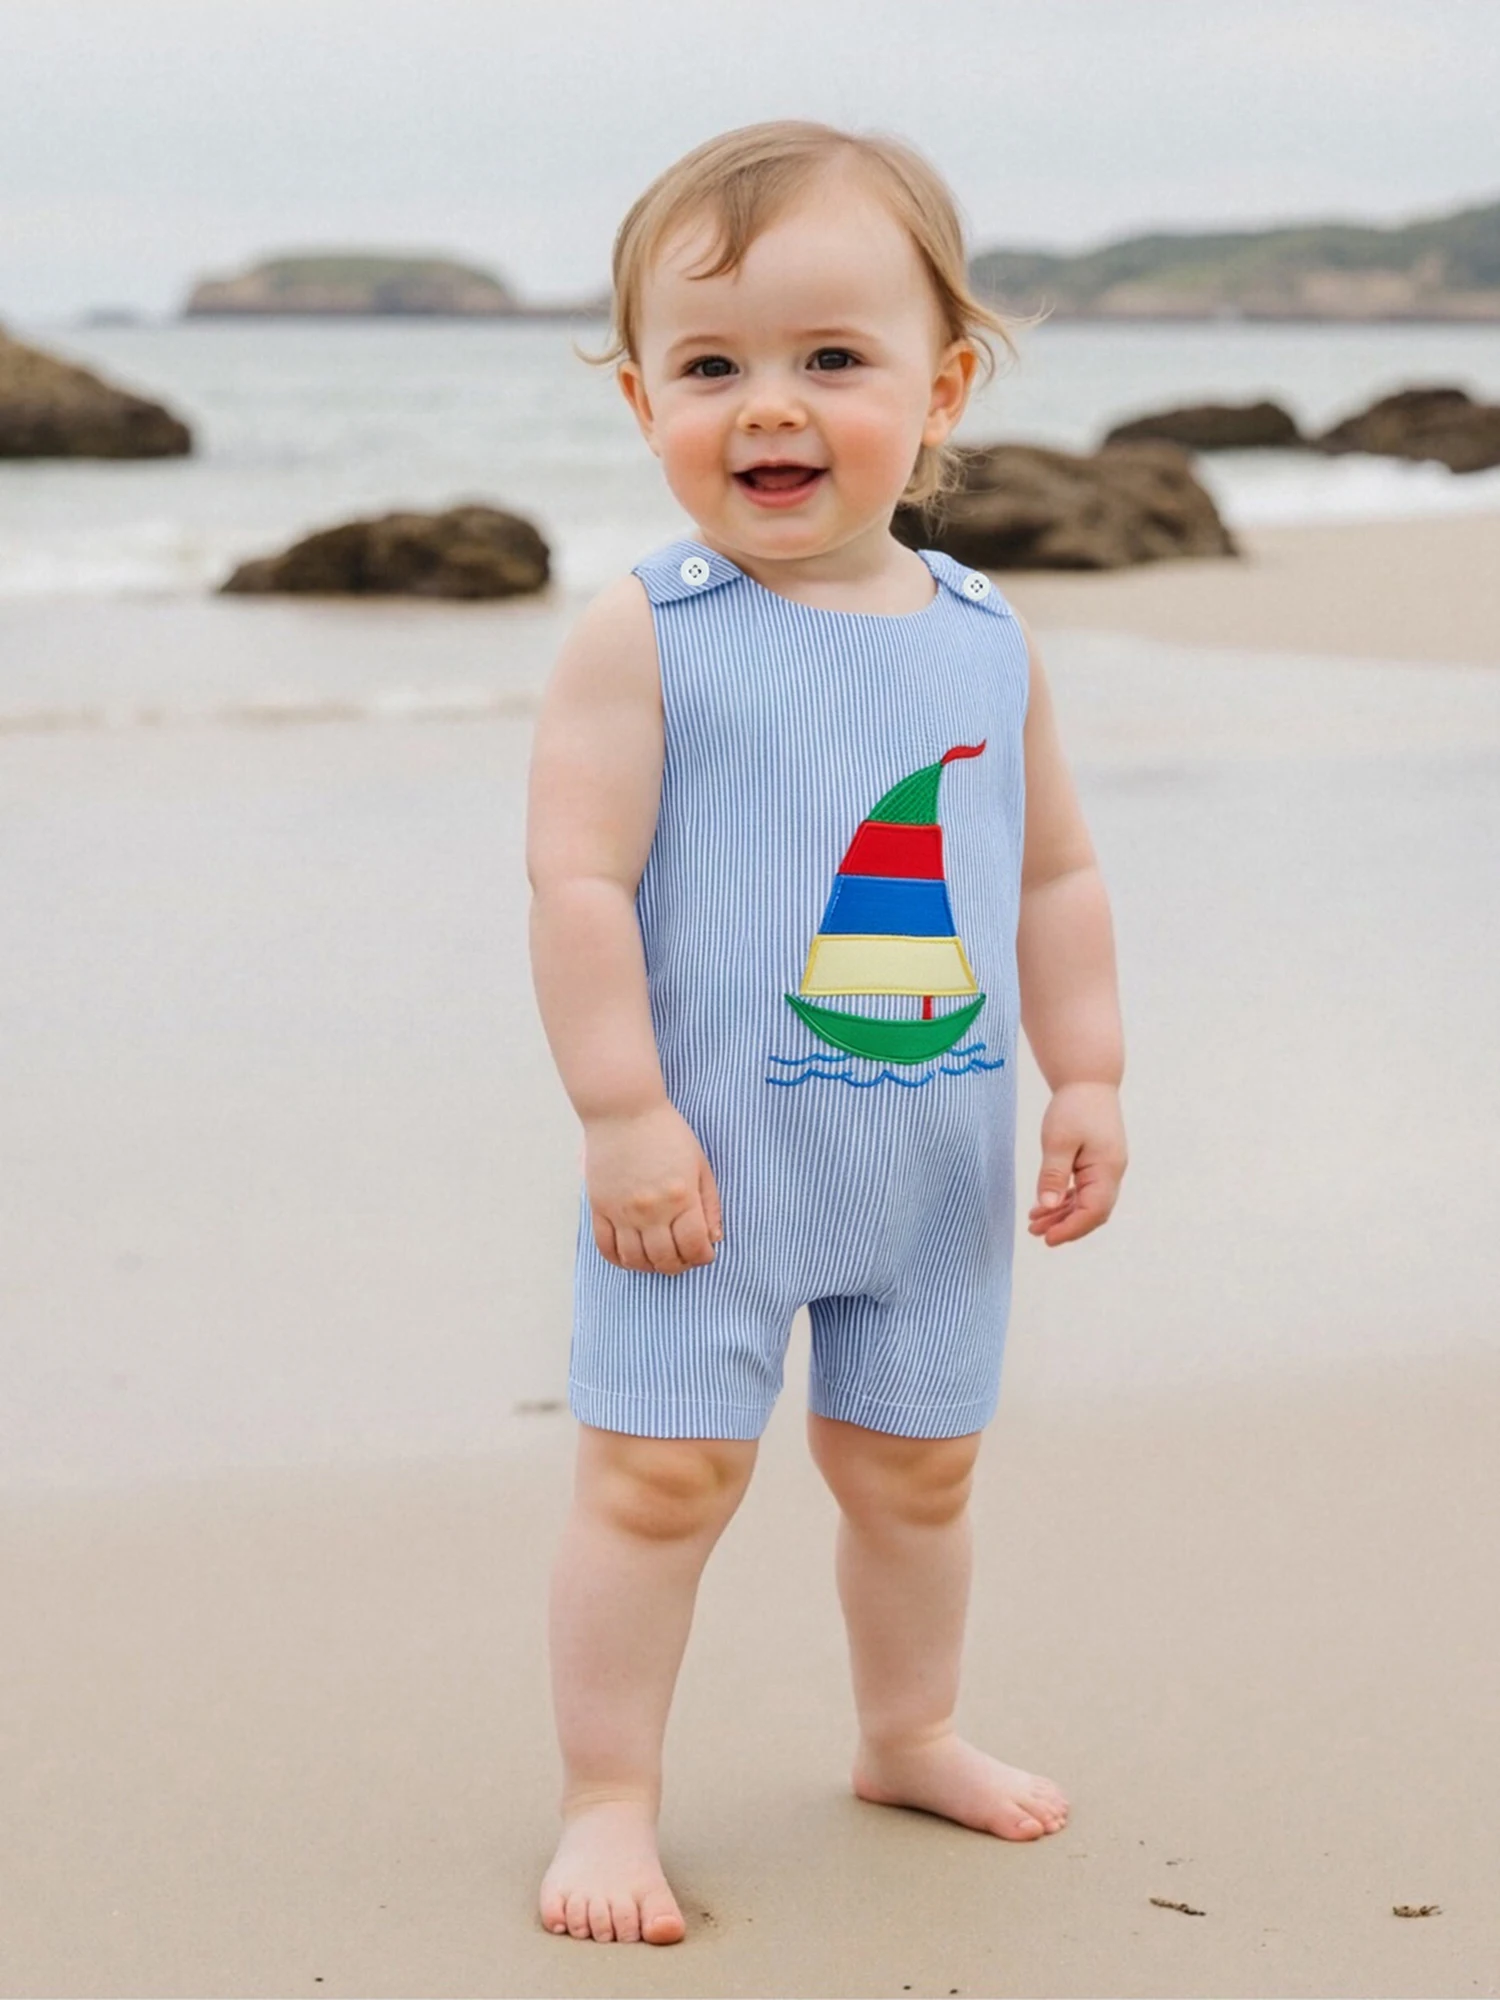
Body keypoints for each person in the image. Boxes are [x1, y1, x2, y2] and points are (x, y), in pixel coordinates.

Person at [525, 119, 1127, 1947]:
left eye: (831, 358)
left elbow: (1052, 874)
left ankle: (907, 1732)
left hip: (931, 1160)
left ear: (939, 392)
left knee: (917, 1471)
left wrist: (1090, 1071)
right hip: (703, 1172)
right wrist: (621, 1113)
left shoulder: (984, 631)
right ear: (642, 398)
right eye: (712, 366)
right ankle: (609, 1799)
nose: (768, 406)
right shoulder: (648, 630)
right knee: (660, 1481)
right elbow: (575, 885)